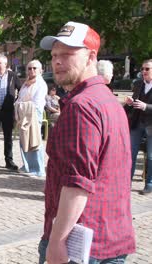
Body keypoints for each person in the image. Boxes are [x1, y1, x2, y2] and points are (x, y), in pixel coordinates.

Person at [38, 21, 135, 263]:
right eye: (54, 55)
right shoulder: (108, 100)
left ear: (91, 56)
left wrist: (57, 241)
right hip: (111, 238)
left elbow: (77, 183)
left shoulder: (81, 106)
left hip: (79, 245)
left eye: (67, 54)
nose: (57, 61)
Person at [14, 60, 47, 177]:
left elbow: (37, 103)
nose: (32, 70)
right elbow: (19, 97)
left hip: (33, 115)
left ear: (40, 70)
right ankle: (27, 166)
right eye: (29, 68)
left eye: (34, 68)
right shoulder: (26, 83)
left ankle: (37, 168)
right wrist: (18, 104)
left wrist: (20, 105)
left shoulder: (40, 84)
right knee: (24, 142)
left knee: (34, 141)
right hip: (24, 115)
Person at [125, 59, 152, 194]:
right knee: (131, 154)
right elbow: (136, 102)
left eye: (147, 69)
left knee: (151, 157)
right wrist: (131, 103)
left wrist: (145, 106)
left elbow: (144, 105)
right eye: (142, 69)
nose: (144, 72)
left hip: (150, 126)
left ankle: (149, 184)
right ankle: (126, 183)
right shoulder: (138, 84)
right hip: (137, 124)